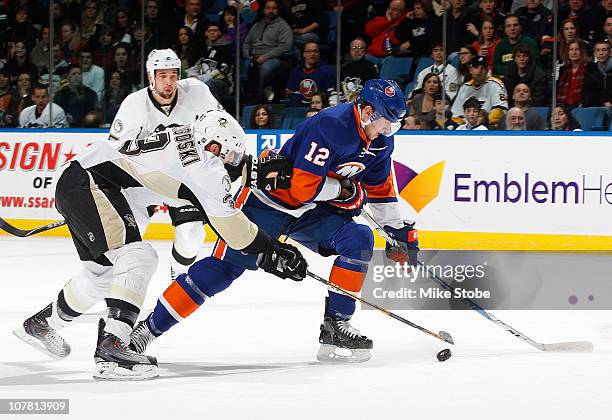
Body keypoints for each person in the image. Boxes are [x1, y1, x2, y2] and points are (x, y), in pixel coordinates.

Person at [128, 79, 419, 364]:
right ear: (368, 112)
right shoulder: (331, 125)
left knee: (358, 239)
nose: (388, 131)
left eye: (394, 124)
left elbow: (380, 189)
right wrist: (344, 191)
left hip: (312, 212)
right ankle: (147, 330)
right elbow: (302, 188)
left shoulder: (381, 142)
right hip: (269, 203)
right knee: (222, 270)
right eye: (387, 122)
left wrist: (397, 231)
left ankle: (336, 327)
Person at [13, 108, 303, 381]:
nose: (233, 158)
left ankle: (43, 324)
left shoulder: (189, 134)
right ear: (214, 147)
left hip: (82, 178)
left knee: (101, 276)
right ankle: (112, 349)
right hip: (91, 184)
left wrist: (247, 171)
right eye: (231, 152)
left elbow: (192, 182)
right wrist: (272, 251)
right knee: (138, 258)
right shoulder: (205, 167)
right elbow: (233, 230)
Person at [108, 49, 221, 281]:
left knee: (191, 234)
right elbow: (113, 151)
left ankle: (177, 280)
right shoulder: (134, 104)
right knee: (122, 236)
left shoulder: (198, 92)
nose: (169, 82)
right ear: (151, 77)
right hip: (144, 180)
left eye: (173, 75)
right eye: (162, 76)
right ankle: (111, 283)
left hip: (184, 179)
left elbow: (220, 127)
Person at [451, 55, 508, 123]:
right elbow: (455, 115)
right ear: (470, 70)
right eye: (476, 67)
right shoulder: (464, 88)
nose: (479, 70)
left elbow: (501, 110)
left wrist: (483, 120)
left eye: (483, 68)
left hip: (489, 128)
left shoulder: (495, 84)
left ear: (487, 71)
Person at [286, 41, 335, 106]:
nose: (312, 54)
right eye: (309, 51)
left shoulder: (328, 71)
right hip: (300, 109)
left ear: (319, 54)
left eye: (315, 51)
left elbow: (332, 94)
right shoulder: (296, 72)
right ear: (304, 54)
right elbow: (291, 94)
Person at [556, 40, 590, 109]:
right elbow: (558, 90)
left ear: (581, 52)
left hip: (581, 107)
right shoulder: (563, 70)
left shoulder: (589, 68)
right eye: (571, 49)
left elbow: (591, 92)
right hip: (563, 106)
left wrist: (583, 104)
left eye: (577, 49)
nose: (574, 52)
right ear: (567, 52)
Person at [582, 40, 612, 108]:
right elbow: (588, 92)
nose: (601, 53)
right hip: (596, 107)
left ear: (610, 53)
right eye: (597, 50)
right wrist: (603, 102)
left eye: (604, 50)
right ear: (594, 53)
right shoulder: (591, 69)